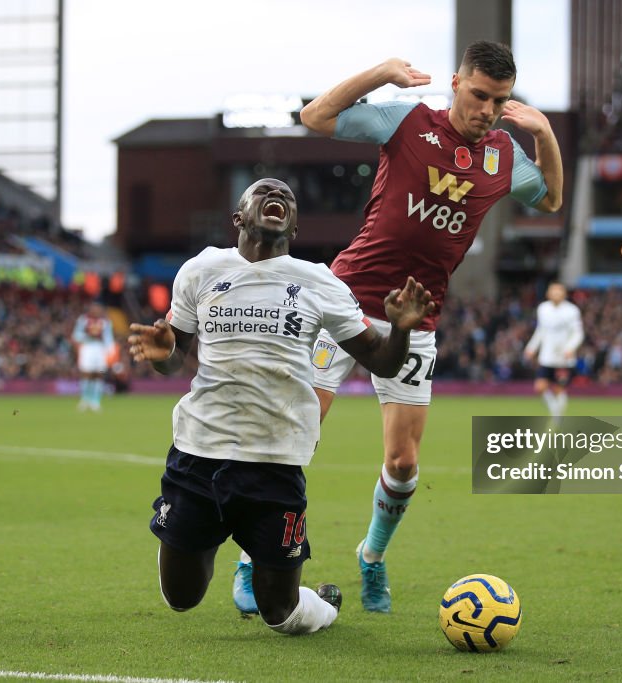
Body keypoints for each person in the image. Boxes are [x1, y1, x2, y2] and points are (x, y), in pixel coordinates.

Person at [256, 40, 563, 613]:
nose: (489, 111)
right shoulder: (408, 119)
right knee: (300, 430)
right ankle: (259, 559)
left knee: (403, 463)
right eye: (479, 96)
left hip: (416, 318)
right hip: (344, 300)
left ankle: (371, 558)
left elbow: (549, 200)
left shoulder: (502, 156)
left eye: (499, 102)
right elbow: (314, 116)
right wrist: (379, 72)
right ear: (454, 83)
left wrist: (543, 135)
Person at [127, 178, 434, 635]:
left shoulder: (319, 281)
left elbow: (384, 363)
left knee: (281, 614)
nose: (278, 194)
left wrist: (402, 330)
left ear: (294, 225)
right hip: (197, 456)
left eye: (288, 196)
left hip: (275, 464)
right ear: (239, 217)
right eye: (264, 191)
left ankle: (324, 603)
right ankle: (202, 540)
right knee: (181, 598)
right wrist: (163, 355)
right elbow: (175, 362)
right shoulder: (200, 270)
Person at [523, 282, 583, 422]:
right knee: (540, 387)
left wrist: (570, 348)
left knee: (559, 388)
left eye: (559, 291)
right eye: (553, 291)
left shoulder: (572, 311)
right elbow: (541, 331)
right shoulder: (543, 309)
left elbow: (578, 333)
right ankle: (556, 412)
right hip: (547, 356)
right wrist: (531, 348)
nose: (556, 294)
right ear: (548, 294)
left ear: (564, 294)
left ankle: (558, 418)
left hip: (564, 357)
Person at [72, 301, 114, 412]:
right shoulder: (83, 320)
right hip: (87, 348)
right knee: (86, 373)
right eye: (94, 308)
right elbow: (76, 335)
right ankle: (85, 399)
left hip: (100, 350)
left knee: (99, 374)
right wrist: (88, 335)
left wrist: (110, 351)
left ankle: (96, 401)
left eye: (98, 309)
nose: (96, 311)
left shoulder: (105, 322)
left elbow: (109, 337)